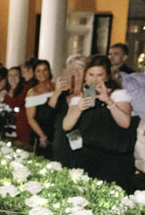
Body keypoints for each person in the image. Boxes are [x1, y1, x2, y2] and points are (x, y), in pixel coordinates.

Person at [62, 53, 137, 192]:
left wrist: (108, 101)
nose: (95, 79)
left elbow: (125, 123)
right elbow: (67, 126)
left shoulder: (118, 94)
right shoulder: (79, 99)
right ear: (85, 76)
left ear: (107, 76)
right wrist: (79, 107)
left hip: (114, 159)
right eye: (91, 75)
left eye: (99, 75)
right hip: (87, 157)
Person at [25, 59, 55, 157]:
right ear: (34, 73)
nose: (42, 73)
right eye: (38, 71)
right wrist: (42, 136)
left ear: (49, 71)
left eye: (45, 70)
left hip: (57, 130)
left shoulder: (56, 87)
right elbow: (31, 119)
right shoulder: (32, 92)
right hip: (42, 132)